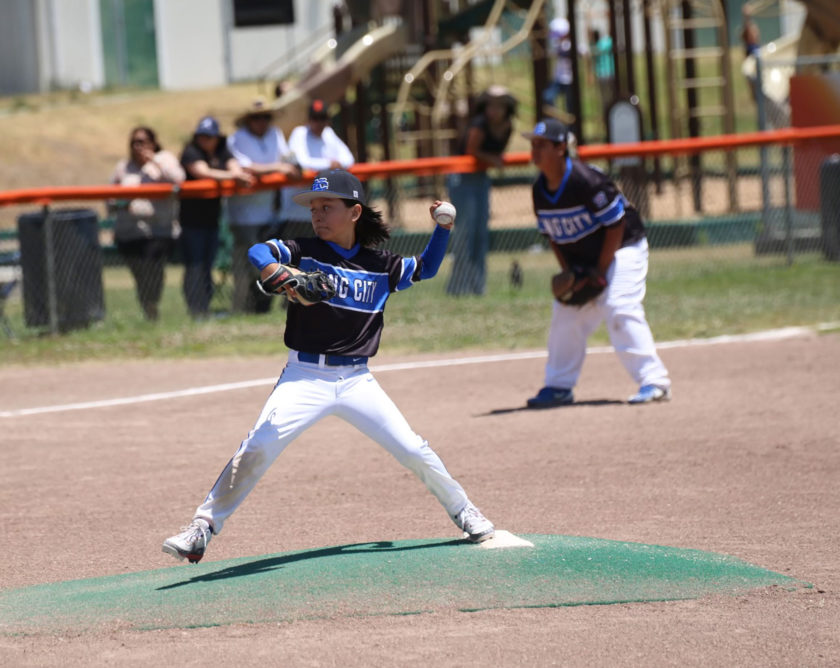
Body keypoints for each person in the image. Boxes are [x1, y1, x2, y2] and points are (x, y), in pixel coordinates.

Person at [162, 169, 497, 564]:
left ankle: (464, 511)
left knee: (412, 449)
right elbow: (258, 252)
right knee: (258, 447)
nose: (317, 215)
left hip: (357, 380)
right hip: (305, 376)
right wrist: (276, 272)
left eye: (327, 207)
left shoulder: (380, 264)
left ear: (354, 212)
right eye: (313, 208)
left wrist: (443, 227)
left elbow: (427, 268)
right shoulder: (303, 251)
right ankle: (202, 527)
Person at [522, 119, 671, 407]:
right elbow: (553, 236)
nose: (535, 150)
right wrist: (570, 271)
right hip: (586, 257)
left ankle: (655, 382)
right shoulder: (540, 191)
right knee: (566, 311)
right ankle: (558, 387)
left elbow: (616, 225)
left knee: (618, 305)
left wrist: (601, 271)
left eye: (542, 145)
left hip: (624, 246)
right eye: (533, 145)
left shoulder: (586, 180)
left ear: (561, 147)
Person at [226, 97, 300, 314]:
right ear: (248, 120)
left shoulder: (275, 134)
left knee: (272, 263)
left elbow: (288, 158)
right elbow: (246, 167)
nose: (261, 122)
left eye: (265, 117)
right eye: (256, 118)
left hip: (270, 212)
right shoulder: (237, 138)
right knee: (250, 267)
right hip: (244, 215)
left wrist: (292, 165)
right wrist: (279, 167)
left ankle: (263, 307)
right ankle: (247, 307)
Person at [179, 116, 254, 319]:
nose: (205, 140)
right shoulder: (191, 151)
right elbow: (202, 172)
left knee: (206, 266)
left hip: (212, 220)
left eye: (209, 136)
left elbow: (234, 165)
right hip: (192, 221)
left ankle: (204, 308)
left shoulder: (222, 150)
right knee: (195, 266)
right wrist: (234, 177)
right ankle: (196, 309)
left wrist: (237, 173)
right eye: (202, 136)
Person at [109, 126, 185, 320]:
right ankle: (149, 309)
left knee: (154, 271)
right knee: (141, 275)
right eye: (134, 142)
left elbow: (178, 179)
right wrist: (121, 205)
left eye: (142, 141)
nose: (137, 146)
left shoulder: (164, 159)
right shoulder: (123, 167)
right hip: (129, 231)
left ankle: (152, 307)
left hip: (158, 231)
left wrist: (154, 160)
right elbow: (110, 196)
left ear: (153, 142)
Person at [446, 85, 516, 296]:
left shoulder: (508, 126)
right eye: (490, 105)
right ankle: (458, 288)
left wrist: (494, 160)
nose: (493, 110)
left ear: (506, 108)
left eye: (499, 106)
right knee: (465, 233)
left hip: (481, 180)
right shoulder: (479, 124)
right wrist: (493, 160)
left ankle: (478, 287)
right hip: (462, 179)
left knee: (479, 234)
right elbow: (471, 151)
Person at [279, 98, 355, 241]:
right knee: (297, 261)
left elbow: (348, 159)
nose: (319, 123)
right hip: (296, 214)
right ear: (308, 119)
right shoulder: (299, 133)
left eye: (323, 118)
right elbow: (302, 163)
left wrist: (329, 166)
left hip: (323, 215)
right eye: (315, 118)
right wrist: (329, 164)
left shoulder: (328, 133)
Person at [542, 17, 574, 117]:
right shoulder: (556, 45)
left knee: (571, 107)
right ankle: (554, 119)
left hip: (570, 80)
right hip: (558, 80)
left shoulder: (570, 44)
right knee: (547, 97)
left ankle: (571, 129)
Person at [590, 28, 615, 114]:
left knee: (604, 97)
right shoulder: (607, 42)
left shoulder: (595, 46)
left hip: (602, 74)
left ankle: (606, 113)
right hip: (610, 73)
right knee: (612, 95)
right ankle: (611, 111)